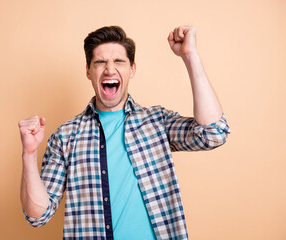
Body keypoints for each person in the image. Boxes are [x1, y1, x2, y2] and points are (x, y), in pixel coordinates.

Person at [18, 25, 230, 240]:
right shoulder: (65, 136)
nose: (110, 69)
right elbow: (38, 215)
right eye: (100, 62)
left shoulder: (157, 122)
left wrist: (190, 55)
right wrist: (29, 154)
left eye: (119, 61)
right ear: (88, 71)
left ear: (132, 69)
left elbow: (213, 133)